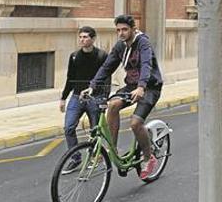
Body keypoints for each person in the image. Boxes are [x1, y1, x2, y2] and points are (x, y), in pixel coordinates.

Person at [82, 15, 163, 181]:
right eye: (118, 30)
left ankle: (149, 157)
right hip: (132, 86)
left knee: (135, 123)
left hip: (149, 87)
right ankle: (113, 149)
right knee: (112, 105)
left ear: (133, 29)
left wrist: (141, 87)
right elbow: (107, 66)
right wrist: (92, 86)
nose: (121, 33)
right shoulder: (120, 46)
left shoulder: (143, 43)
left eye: (125, 29)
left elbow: (146, 65)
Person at [59, 26, 108, 174]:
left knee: (95, 131)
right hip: (76, 96)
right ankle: (75, 158)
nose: (82, 39)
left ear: (93, 39)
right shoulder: (74, 56)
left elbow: (106, 78)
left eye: (85, 37)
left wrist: (104, 98)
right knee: (68, 128)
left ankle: (94, 156)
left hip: (96, 97)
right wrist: (63, 98)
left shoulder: (101, 56)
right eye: (80, 37)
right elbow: (70, 79)